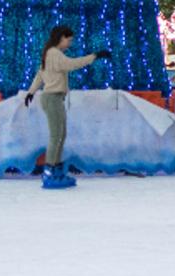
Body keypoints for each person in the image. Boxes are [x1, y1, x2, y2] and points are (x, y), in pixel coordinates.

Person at [24, 26, 111, 189]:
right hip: (52, 98)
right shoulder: (54, 54)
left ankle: (56, 169)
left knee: (61, 134)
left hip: (54, 98)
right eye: (68, 40)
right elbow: (72, 64)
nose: (70, 43)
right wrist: (95, 56)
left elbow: (40, 74)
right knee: (56, 135)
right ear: (61, 38)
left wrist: (31, 92)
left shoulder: (50, 53)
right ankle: (49, 172)